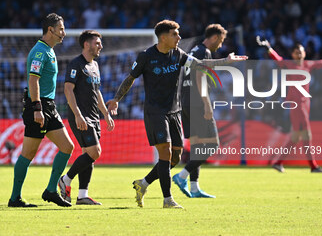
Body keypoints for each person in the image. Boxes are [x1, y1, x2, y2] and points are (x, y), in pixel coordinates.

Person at [106, 20, 247, 209]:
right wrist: (116, 99)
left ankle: (144, 183)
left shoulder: (178, 54)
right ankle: (168, 199)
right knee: (164, 151)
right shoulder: (146, 56)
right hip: (155, 112)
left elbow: (200, 64)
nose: (179, 37)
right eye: (175, 34)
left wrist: (225, 61)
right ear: (163, 37)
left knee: (175, 157)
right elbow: (130, 78)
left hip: (175, 112)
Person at [8, 13, 74, 207]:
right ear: (50, 30)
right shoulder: (40, 51)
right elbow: (33, 80)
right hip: (38, 106)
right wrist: (37, 108)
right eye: (61, 29)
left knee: (67, 147)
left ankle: (51, 190)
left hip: (48, 106)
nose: (64, 32)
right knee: (28, 154)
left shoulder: (49, 51)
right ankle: (15, 198)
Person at [256, 36, 322, 173]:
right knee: (306, 135)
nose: (298, 54)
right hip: (297, 104)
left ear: (304, 53)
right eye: (296, 52)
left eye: (300, 51)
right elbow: (278, 59)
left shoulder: (308, 65)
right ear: (292, 54)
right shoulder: (290, 65)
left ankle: (278, 162)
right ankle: (313, 166)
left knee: (295, 137)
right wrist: (269, 48)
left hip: (305, 103)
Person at [58, 30, 115, 205]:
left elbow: (96, 91)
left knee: (87, 154)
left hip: (94, 116)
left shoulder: (95, 65)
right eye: (97, 43)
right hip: (81, 116)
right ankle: (65, 179)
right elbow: (68, 89)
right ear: (86, 44)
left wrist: (105, 114)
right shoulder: (76, 64)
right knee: (94, 152)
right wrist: (77, 115)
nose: (101, 46)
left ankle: (82, 195)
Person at [172, 24, 227, 198]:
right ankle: (182, 176)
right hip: (197, 102)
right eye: (221, 41)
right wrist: (206, 103)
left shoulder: (194, 50)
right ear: (216, 37)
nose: (220, 45)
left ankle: (194, 188)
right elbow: (199, 75)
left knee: (197, 147)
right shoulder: (204, 52)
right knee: (212, 144)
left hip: (186, 101)